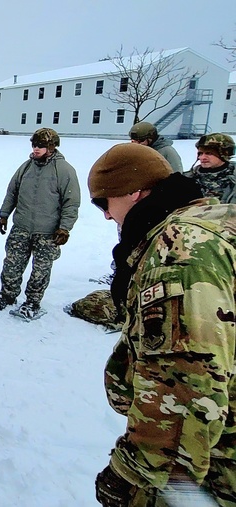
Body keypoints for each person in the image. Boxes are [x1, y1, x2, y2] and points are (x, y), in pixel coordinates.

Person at [87, 142, 234, 506]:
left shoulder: (180, 255)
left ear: (135, 193)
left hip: (212, 461)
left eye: (105, 203)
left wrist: (134, 470)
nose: (106, 216)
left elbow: (187, 382)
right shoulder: (214, 223)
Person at [0, 128, 81, 318]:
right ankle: (7, 296)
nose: (35, 149)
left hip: (47, 232)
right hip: (22, 227)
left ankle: (33, 302)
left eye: (40, 145)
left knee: (40, 271)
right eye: (34, 145)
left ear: (51, 147)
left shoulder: (64, 170)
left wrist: (64, 228)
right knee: (11, 265)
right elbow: (12, 193)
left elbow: (71, 202)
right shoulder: (25, 167)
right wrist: (3, 215)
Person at [183, 132, 235, 204]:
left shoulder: (233, 179)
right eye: (200, 153)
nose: (202, 157)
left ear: (225, 154)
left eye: (209, 153)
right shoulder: (187, 179)